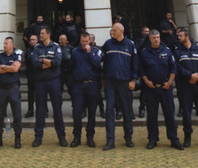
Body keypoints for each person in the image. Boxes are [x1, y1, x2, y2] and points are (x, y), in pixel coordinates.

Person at [140, 29, 183, 150]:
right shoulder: (144, 52)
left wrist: (170, 82)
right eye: (154, 38)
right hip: (151, 88)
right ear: (149, 39)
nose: (156, 39)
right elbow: (142, 69)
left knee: (169, 114)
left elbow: (173, 68)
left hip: (166, 88)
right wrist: (146, 81)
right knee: (152, 116)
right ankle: (153, 139)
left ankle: (174, 139)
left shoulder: (167, 51)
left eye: (158, 37)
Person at [101, 21, 138, 150]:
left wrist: (133, 80)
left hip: (124, 82)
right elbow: (101, 58)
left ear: (121, 31)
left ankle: (128, 138)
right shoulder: (108, 44)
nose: (112, 32)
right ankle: (110, 140)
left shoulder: (130, 45)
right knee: (109, 111)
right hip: (110, 82)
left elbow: (135, 64)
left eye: (114, 30)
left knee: (126, 111)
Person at [30, 26, 67, 147]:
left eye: (42, 33)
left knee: (57, 109)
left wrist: (43, 61)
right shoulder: (37, 47)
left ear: (48, 34)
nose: (40, 35)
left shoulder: (56, 47)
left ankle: (61, 136)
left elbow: (58, 62)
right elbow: (34, 63)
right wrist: (49, 63)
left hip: (54, 81)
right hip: (40, 82)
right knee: (40, 110)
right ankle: (38, 137)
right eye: (40, 33)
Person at [69, 31, 101, 148]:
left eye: (87, 41)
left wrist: (89, 54)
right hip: (78, 85)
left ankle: (90, 136)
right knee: (77, 111)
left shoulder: (95, 51)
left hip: (91, 84)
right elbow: (71, 67)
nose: (85, 43)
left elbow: (98, 65)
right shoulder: (75, 52)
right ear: (80, 40)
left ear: (90, 41)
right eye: (83, 41)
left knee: (92, 112)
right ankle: (77, 136)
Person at [0, 36, 24, 149]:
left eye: (6, 43)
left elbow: (16, 69)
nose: (4, 45)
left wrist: (3, 67)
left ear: (12, 45)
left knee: (17, 114)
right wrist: (8, 67)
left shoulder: (17, 55)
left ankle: (17, 138)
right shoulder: (0, 56)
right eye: (4, 43)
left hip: (13, 88)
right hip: (1, 89)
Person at [23, 33, 39, 117]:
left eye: (34, 40)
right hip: (30, 75)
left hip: (39, 75)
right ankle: (30, 110)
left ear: (37, 40)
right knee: (31, 94)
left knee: (40, 94)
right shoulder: (28, 50)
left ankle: (42, 111)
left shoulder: (40, 49)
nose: (32, 41)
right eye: (30, 40)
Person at [59, 33, 75, 98]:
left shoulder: (71, 48)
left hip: (69, 72)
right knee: (59, 91)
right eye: (59, 39)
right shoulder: (57, 48)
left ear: (66, 40)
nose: (60, 41)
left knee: (71, 89)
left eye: (62, 40)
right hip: (60, 72)